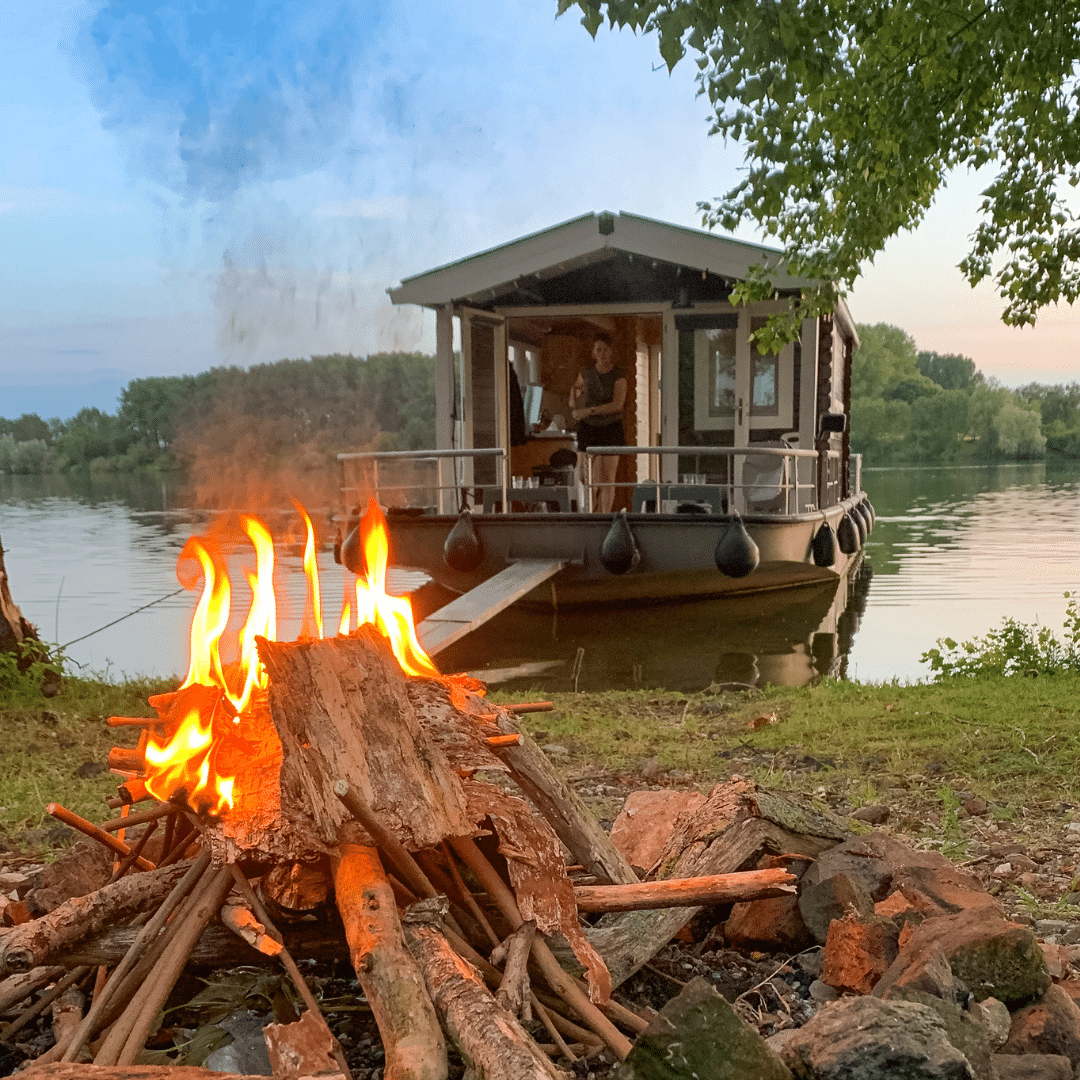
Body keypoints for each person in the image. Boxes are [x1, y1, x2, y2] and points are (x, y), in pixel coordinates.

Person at [569, 332, 627, 513]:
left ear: (611, 351)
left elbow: (617, 405)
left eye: (605, 349)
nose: (601, 353)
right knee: (584, 476)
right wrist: (576, 395)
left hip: (610, 427)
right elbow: (575, 397)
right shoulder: (586, 373)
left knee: (607, 478)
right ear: (593, 352)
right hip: (588, 428)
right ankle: (591, 510)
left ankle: (604, 516)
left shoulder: (619, 375)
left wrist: (589, 411)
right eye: (598, 349)